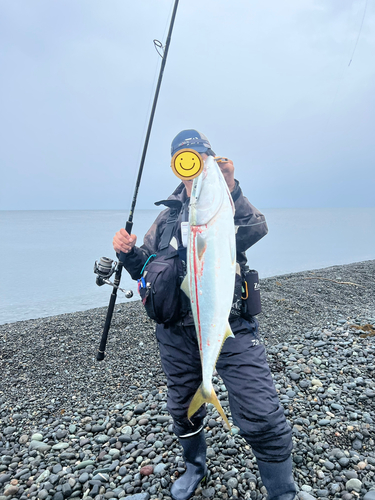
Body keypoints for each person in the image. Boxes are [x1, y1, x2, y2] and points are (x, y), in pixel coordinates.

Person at [113, 130, 296, 500]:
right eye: (183, 158)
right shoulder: (165, 217)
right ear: (177, 167)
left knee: (261, 411)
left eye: (198, 155)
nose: (192, 163)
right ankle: (195, 467)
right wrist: (128, 253)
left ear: (208, 159)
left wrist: (232, 188)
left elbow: (256, 228)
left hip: (231, 325)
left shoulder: (225, 201)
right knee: (182, 406)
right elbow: (146, 268)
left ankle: (284, 491)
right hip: (176, 332)